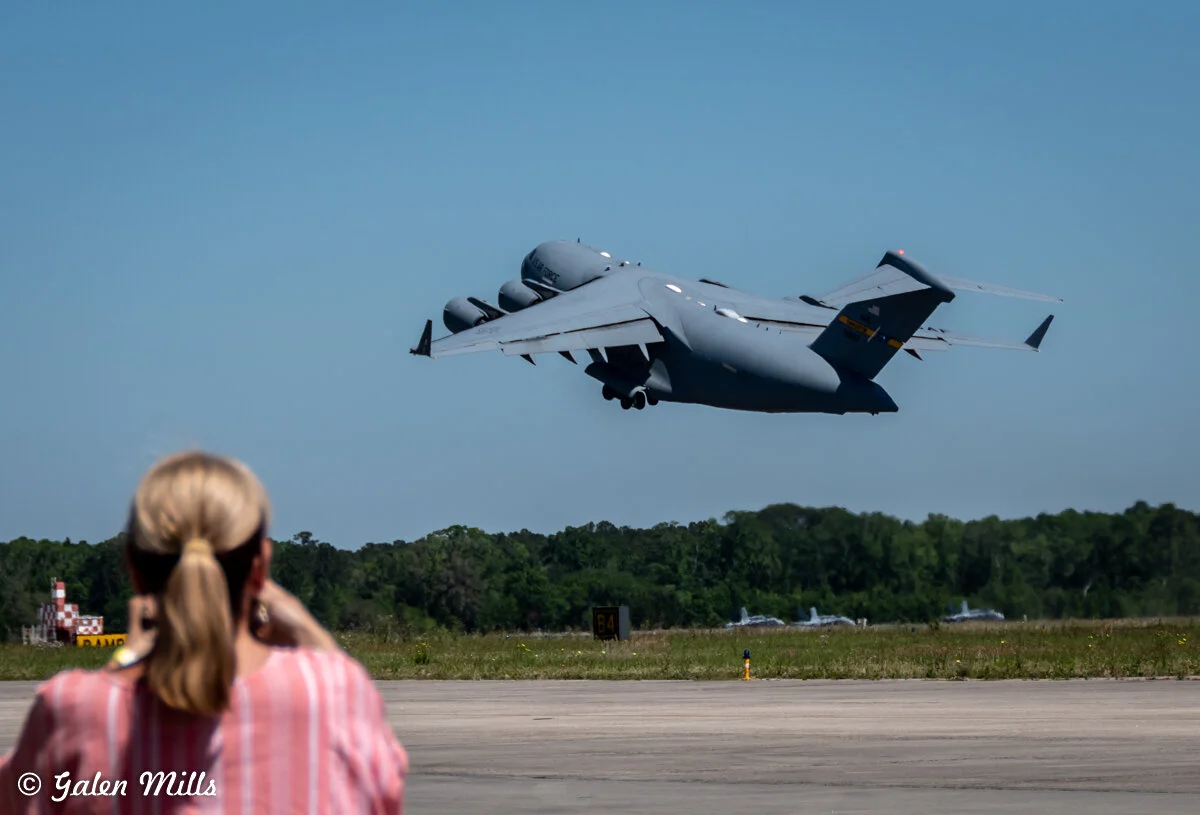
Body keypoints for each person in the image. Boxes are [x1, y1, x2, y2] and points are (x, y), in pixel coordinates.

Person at [0, 450, 408, 813]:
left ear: (133, 568)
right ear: (261, 566)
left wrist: (121, 664)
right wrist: (308, 632)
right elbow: (384, 793)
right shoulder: (335, 693)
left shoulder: (70, 709)